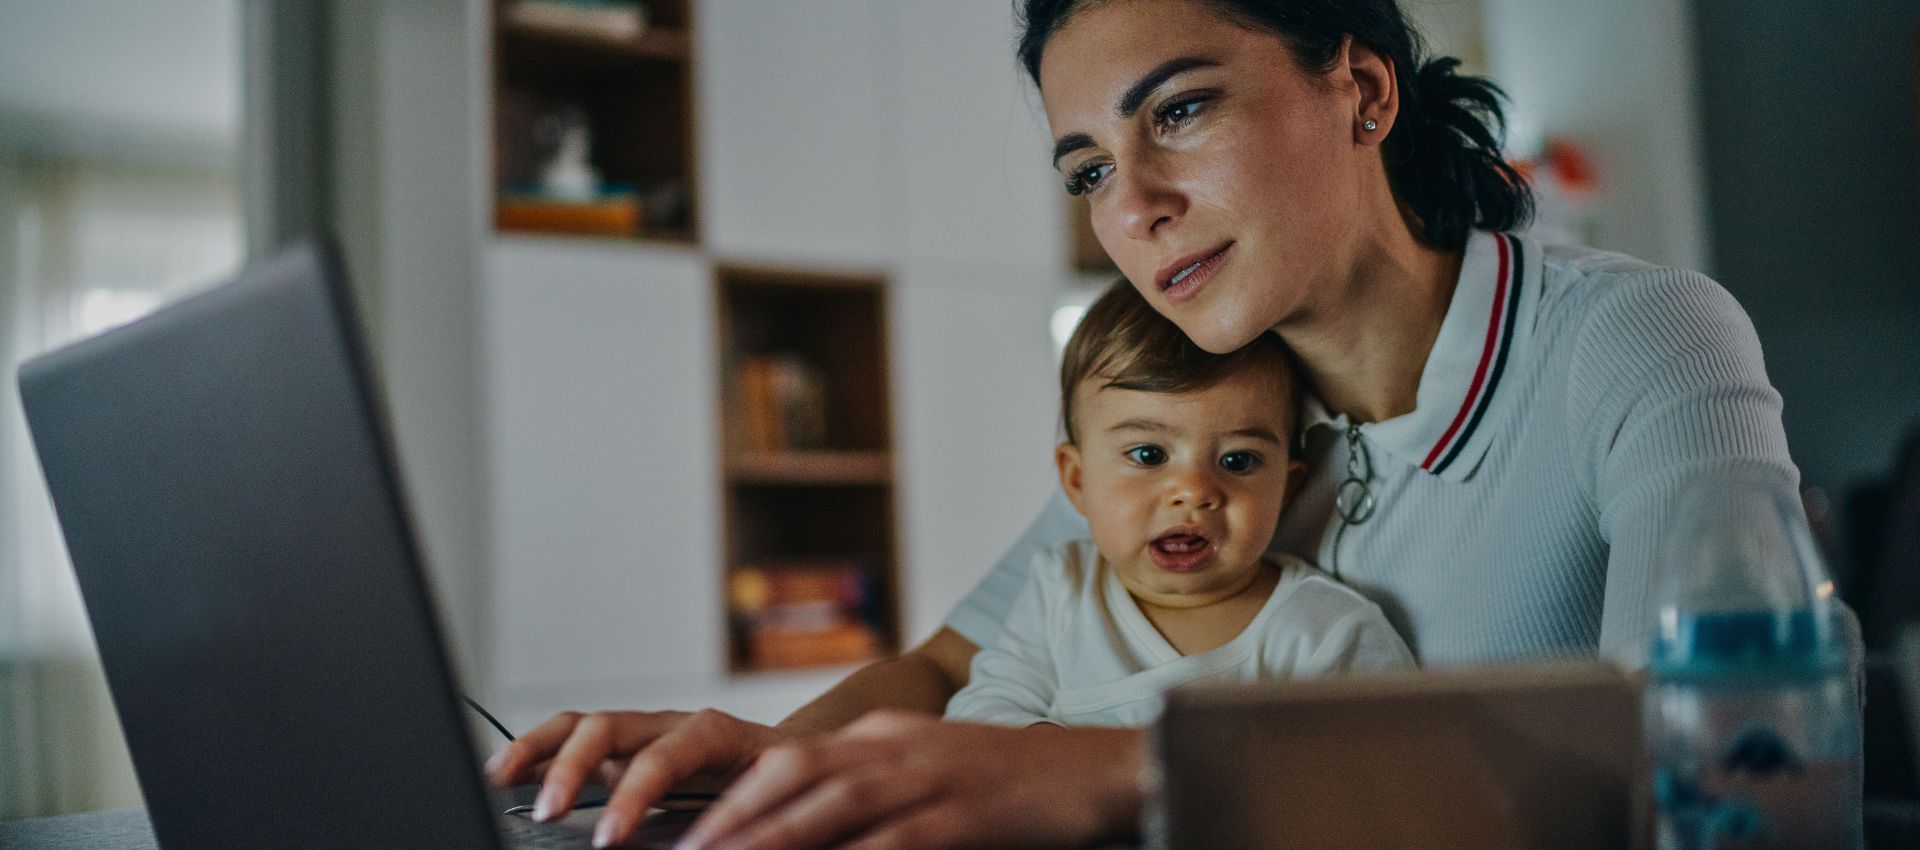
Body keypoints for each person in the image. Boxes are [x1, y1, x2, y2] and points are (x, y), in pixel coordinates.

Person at [486, 1, 1802, 847]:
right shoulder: (1198, 400)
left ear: (1361, 90)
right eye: (1091, 171)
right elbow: (950, 672)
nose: (1138, 205)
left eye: (1178, 110)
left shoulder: (1635, 341)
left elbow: (1743, 752)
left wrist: (1139, 766)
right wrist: (766, 761)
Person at [946, 279, 1412, 728]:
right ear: (1078, 480)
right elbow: (984, 710)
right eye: (1149, 455)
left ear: (1287, 489)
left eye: (1238, 460)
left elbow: (1392, 776)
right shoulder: (1062, 591)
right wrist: (1047, 755)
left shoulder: (1326, 632)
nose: (1194, 491)